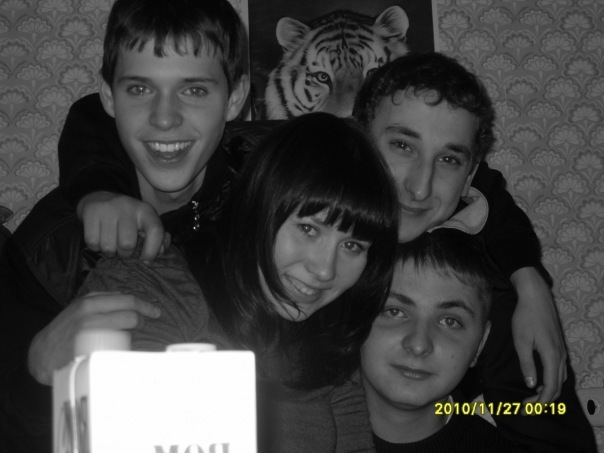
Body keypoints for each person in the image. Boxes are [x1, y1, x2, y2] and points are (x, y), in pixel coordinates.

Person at [44, 112, 400, 452]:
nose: (325, 270)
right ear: (260, 205)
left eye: (352, 246)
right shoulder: (153, 279)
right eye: (308, 229)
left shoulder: (330, 336)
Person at [0, 0, 250, 451]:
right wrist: (38, 374)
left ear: (234, 98)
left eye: (194, 90)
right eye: (139, 89)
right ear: (109, 96)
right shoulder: (52, 244)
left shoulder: (264, 212)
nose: (164, 117)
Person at [351, 52, 596, 452]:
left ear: (468, 176)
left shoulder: (489, 292)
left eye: (448, 159)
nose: (420, 187)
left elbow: (544, 427)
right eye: (402, 145)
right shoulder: (302, 254)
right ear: (358, 142)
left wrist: (526, 282)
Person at [351, 228, 515, 452]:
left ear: (480, 343)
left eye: (450, 321)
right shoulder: (303, 431)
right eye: (395, 312)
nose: (419, 345)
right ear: (357, 321)